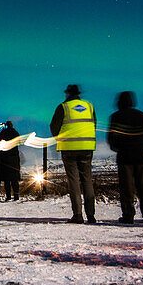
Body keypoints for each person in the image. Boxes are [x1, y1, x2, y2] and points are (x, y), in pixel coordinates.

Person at [106, 91, 143, 224]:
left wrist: (118, 148)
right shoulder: (142, 116)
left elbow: (111, 139)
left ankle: (128, 215)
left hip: (124, 157)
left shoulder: (116, 117)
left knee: (127, 188)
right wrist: (142, 146)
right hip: (141, 156)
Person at [51, 84, 97, 224]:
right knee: (87, 180)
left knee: (74, 182)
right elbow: (94, 124)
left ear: (67, 94)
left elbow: (54, 127)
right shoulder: (89, 107)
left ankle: (77, 214)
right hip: (87, 147)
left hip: (69, 148)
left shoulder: (63, 107)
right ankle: (91, 215)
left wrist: (60, 138)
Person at [0, 121, 22, 201]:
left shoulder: (3, 133)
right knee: (14, 179)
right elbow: (19, 142)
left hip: (4, 159)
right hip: (14, 159)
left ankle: (8, 196)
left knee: (6, 180)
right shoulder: (15, 133)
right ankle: (16, 195)